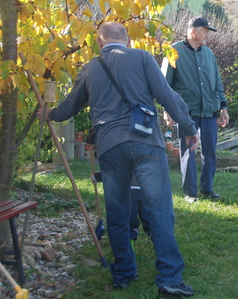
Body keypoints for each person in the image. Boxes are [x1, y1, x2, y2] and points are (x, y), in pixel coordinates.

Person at [38, 22, 199, 296]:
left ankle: (124, 272)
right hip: (146, 143)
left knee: (117, 210)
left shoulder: (90, 67)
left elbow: (69, 108)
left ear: (99, 43)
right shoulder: (142, 57)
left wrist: (49, 114)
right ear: (127, 41)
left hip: (110, 146)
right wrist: (188, 129)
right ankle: (169, 278)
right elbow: (166, 95)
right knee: (159, 209)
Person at [162, 16, 229, 203]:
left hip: (209, 110)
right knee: (188, 151)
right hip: (186, 113)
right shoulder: (174, 51)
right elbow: (164, 85)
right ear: (193, 30)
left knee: (210, 151)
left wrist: (223, 107)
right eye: (205, 30)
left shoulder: (208, 54)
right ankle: (190, 193)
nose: (208, 34)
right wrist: (167, 110)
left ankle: (207, 189)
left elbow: (217, 83)